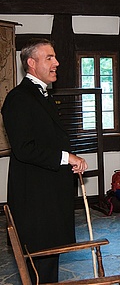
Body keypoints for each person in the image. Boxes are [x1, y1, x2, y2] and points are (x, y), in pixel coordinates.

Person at [1, 38, 88, 283]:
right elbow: (24, 149)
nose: (56, 63)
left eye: (55, 57)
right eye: (49, 58)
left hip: (48, 196)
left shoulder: (43, 95)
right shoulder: (19, 98)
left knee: (49, 263)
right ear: (31, 63)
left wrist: (68, 160)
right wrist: (66, 157)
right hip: (36, 200)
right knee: (39, 265)